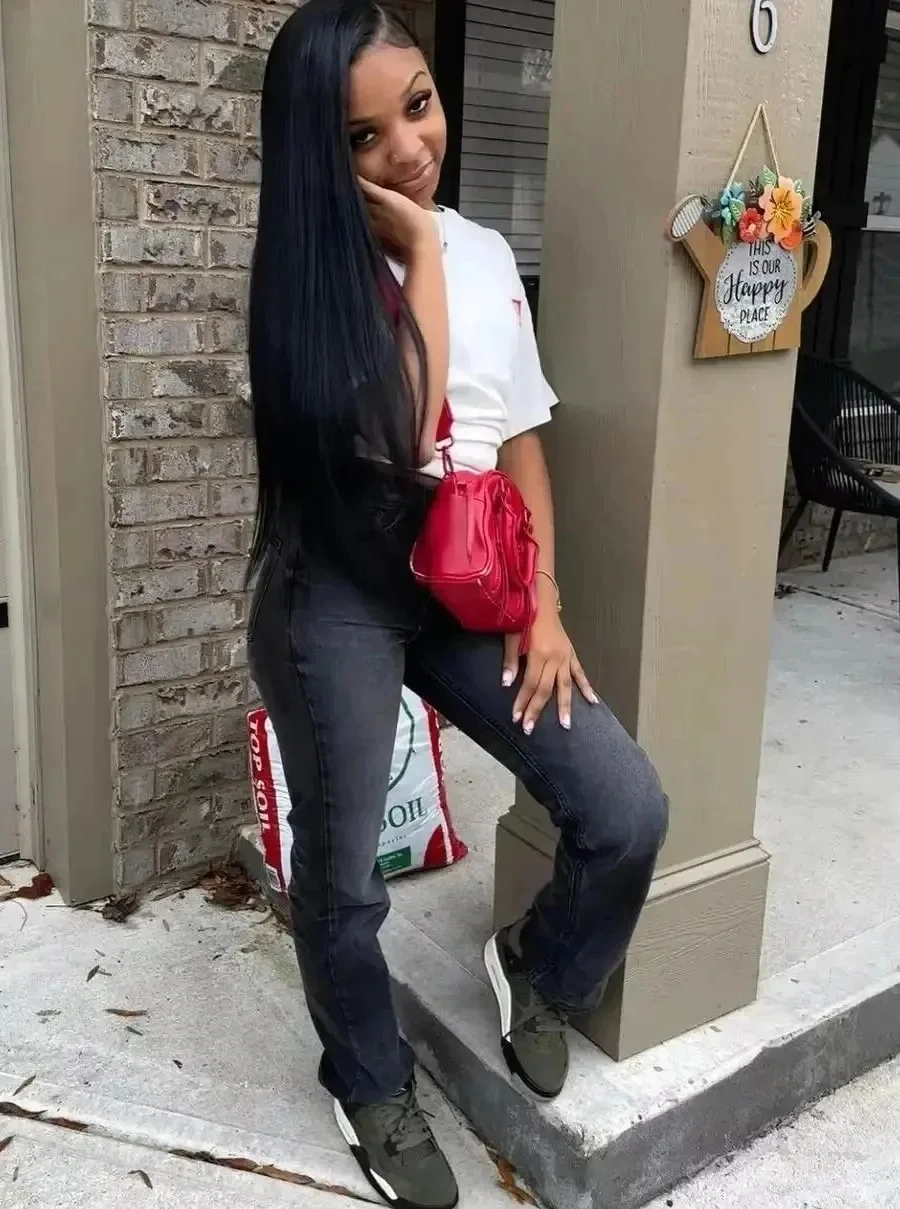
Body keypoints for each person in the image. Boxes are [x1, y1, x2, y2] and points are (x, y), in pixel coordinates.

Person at [246, 3, 668, 1206]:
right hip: (338, 584)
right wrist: (418, 254)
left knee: (625, 806)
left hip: (466, 573)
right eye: (363, 135)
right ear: (319, 152)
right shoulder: (304, 279)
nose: (409, 148)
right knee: (346, 880)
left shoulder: (481, 251)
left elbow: (517, 435)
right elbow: (402, 430)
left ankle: (539, 967)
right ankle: (367, 1079)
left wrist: (545, 602)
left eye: (419, 106)